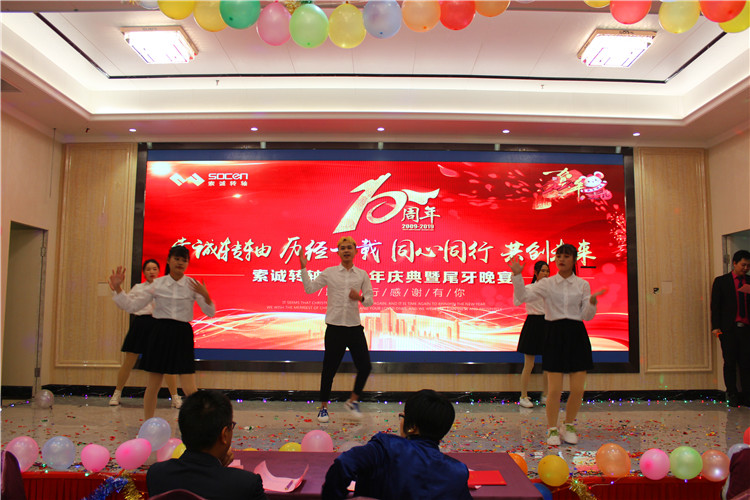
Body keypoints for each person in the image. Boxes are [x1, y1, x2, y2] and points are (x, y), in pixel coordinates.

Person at [510, 244, 607, 446]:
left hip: (576, 334)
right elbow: (522, 297)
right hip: (554, 334)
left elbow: (586, 316)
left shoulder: (582, 285)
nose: (561, 259)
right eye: (559, 256)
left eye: (566, 256)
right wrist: (517, 276)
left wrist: (592, 303)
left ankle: (568, 424)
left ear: (574, 260)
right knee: (554, 390)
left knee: (578, 389)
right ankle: (552, 428)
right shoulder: (547, 283)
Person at [109, 245, 215, 419]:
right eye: (176, 259)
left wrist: (206, 295)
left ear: (187, 263)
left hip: (182, 333)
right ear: (168, 260)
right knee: (154, 384)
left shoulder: (192, 284)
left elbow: (210, 312)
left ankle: (200, 424)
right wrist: (118, 289)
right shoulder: (157, 284)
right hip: (161, 332)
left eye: (184, 260)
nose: (180, 263)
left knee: (189, 386)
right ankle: (147, 424)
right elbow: (132, 306)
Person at [321, 389, 472, 500]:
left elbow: (344, 464)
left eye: (403, 417)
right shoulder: (458, 472)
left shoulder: (386, 446)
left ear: (412, 426)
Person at [300, 235, 374, 423]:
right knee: (329, 370)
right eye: (343, 248)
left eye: (349, 247)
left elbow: (370, 301)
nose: (346, 250)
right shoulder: (330, 273)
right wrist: (303, 268)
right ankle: (323, 408)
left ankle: (352, 401)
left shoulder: (362, 275)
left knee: (365, 366)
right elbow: (309, 289)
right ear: (338, 252)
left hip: (354, 328)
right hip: (334, 328)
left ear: (355, 251)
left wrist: (360, 298)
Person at [147, 390, 267, 500]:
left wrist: (218, 467)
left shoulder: (157, 474)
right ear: (224, 434)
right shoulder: (246, 484)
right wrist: (220, 469)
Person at [108, 259, 182, 409]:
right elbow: (126, 304)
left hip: (159, 324)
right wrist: (117, 288)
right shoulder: (138, 288)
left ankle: (175, 397)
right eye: (148, 269)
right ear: (144, 272)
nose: (151, 272)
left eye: (154, 269)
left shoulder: (165, 287)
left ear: (159, 271)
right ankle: (117, 393)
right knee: (129, 361)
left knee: (166, 363)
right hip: (140, 324)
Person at [711, 249, 750, 407]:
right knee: (730, 363)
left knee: (746, 363)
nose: (745, 268)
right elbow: (715, 305)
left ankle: (747, 395)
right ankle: (732, 394)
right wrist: (715, 327)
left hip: (746, 329)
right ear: (734, 263)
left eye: (748, 266)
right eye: (743, 265)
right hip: (729, 329)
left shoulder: (749, 281)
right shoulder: (722, 281)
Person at [514, 260, 550, 408]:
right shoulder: (529, 289)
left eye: (547, 271)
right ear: (536, 273)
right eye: (543, 271)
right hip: (533, 324)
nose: (546, 274)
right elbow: (517, 301)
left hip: (548, 323)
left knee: (548, 364)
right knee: (529, 364)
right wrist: (517, 277)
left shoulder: (553, 289)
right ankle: (523, 396)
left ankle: (546, 395)